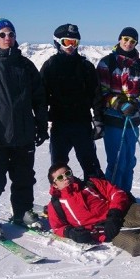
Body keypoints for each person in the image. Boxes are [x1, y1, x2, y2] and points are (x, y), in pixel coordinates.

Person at [0, 17, 48, 238]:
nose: (7, 38)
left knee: (24, 178)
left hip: (23, 134)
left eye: (11, 34)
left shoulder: (25, 65)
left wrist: (41, 126)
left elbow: (39, 99)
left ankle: (22, 212)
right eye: (2, 34)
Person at [40, 24, 104, 180]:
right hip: (60, 125)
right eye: (66, 42)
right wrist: (40, 123)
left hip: (82, 124)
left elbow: (96, 95)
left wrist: (98, 119)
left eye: (74, 43)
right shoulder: (50, 66)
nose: (71, 46)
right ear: (57, 42)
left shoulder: (86, 67)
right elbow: (40, 97)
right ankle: (61, 200)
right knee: (59, 167)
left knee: (90, 164)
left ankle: (97, 197)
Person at [96, 27, 140, 196]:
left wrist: (136, 103)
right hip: (113, 120)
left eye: (133, 41)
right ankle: (112, 197)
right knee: (116, 162)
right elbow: (102, 92)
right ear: (120, 39)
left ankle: (125, 195)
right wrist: (120, 105)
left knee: (129, 161)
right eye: (126, 39)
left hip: (132, 120)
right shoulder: (107, 63)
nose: (128, 43)